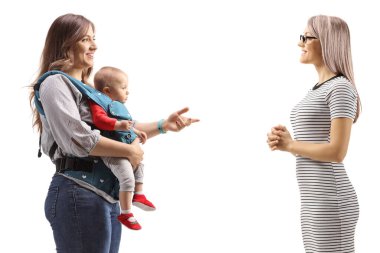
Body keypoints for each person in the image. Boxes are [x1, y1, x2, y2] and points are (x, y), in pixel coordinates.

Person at [29, 13, 198, 253]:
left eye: (94, 38)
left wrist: (163, 126)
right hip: (78, 191)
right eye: (86, 39)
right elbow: (77, 138)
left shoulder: (90, 91)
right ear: (66, 44)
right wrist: (131, 151)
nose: (94, 45)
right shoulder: (55, 83)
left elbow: (120, 129)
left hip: (105, 196)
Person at [267, 15, 360, 253]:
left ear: (327, 41)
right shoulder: (317, 90)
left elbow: (337, 152)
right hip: (313, 201)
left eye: (306, 37)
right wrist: (284, 142)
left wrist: (290, 145)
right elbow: (313, 146)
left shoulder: (340, 87)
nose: (300, 43)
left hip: (331, 200)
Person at [89, 66, 156, 230]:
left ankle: (138, 195)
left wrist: (137, 131)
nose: (128, 92)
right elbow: (99, 120)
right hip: (113, 151)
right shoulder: (98, 103)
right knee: (127, 178)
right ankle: (126, 212)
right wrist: (119, 124)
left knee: (140, 166)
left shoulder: (117, 106)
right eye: (124, 88)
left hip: (125, 146)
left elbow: (126, 125)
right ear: (107, 91)